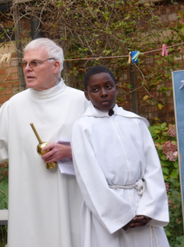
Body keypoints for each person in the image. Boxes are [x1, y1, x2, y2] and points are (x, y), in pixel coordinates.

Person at [0, 38, 88, 247]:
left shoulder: (81, 102)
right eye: (24, 63)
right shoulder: (15, 105)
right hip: (28, 208)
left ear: (56, 65)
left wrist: (71, 151)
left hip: (69, 203)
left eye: (34, 63)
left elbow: (103, 150)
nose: (27, 69)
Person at [71, 65, 169, 247]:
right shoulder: (83, 127)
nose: (103, 93)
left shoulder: (134, 122)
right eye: (95, 89)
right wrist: (119, 217)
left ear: (116, 88)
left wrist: (149, 209)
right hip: (107, 212)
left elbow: (153, 169)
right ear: (87, 95)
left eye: (108, 86)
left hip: (141, 206)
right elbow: (89, 179)